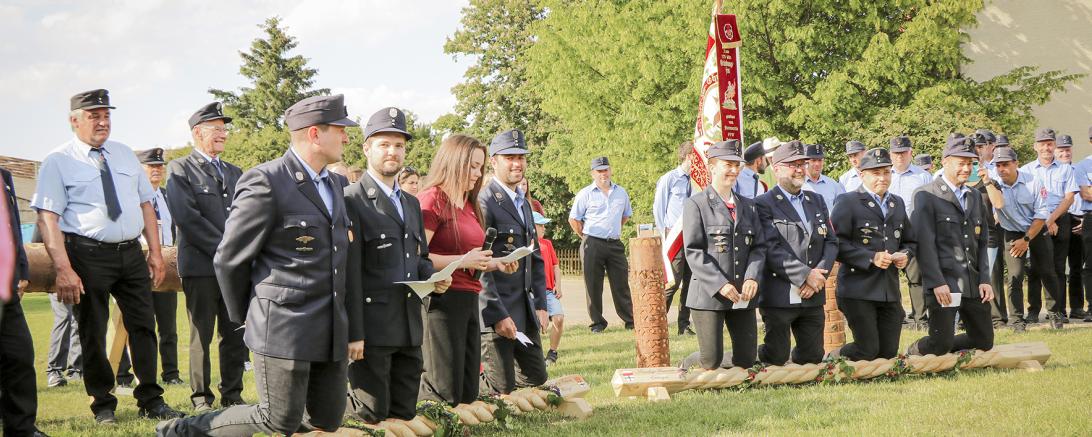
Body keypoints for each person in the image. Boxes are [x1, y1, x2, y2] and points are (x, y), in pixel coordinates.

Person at [157, 94, 357, 435]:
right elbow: (230, 257)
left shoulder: (337, 183)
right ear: (313, 134)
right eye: (340, 129)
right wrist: (250, 314)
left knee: (326, 421)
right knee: (277, 420)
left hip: (330, 326)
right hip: (284, 323)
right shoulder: (266, 180)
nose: (347, 137)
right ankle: (181, 431)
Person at [32, 89, 185, 424]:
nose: (102, 122)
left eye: (106, 115)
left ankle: (151, 399)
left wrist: (156, 253)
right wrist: (63, 268)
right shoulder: (58, 160)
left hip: (131, 252)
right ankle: (102, 404)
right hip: (86, 255)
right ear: (74, 121)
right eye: (93, 116)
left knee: (144, 325)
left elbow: (146, 203)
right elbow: (48, 218)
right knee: (93, 329)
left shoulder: (124, 155)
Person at [344, 107, 448, 423]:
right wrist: (354, 333)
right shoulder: (352, 199)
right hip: (372, 331)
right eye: (384, 144)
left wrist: (434, 278)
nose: (393, 152)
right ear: (366, 148)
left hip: (409, 326)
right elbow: (349, 273)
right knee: (371, 415)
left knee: (404, 414)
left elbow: (419, 257)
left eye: (399, 145)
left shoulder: (411, 203)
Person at [164, 102, 249, 412]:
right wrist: (229, 249)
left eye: (224, 129)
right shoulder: (180, 168)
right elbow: (188, 218)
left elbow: (245, 217)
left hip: (233, 270)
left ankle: (233, 394)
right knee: (201, 334)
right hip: (201, 267)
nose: (222, 134)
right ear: (197, 133)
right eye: (216, 129)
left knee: (235, 333)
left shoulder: (235, 172)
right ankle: (201, 398)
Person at [417, 134, 497, 406]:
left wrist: (496, 262)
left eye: (480, 167)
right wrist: (463, 260)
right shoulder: (433, 199)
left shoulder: (471, 205)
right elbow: (419, 257)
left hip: (469, 297)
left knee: (467, 388)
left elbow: (472, 256)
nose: (477, 174)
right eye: (472, 166)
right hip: (441, 299)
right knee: (444, 387)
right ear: (454, 162)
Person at [906, 135, 996, 355]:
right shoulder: (926, 195)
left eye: (970, 163)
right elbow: (924, 245)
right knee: (940, 346)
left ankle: (947, 344)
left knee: (984, 341)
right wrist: (936, 282)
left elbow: (982, 243)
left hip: (973, 282)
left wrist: (985, 279)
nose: (966, 168)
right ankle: (914, 350)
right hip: (945, 283)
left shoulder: (975, 196)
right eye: (961, 163)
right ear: (945, 161)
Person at [682, 140, 764, 369]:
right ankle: (690, 362)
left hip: (741, 295)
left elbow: (759, 247)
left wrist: (751, 277)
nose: (734, 170)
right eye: (728, 164)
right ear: (712, 166)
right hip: (710, 295)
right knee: (711, 360)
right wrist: (720, 284)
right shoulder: (695, 204)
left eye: (737, 165)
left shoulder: (749, 206)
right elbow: (693, 251)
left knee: (747, 360)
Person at [755, 140, 838, 366]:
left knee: (812, 357)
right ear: (776, 167)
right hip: (780, 294)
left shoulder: (816, 200)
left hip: (813, 293)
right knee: (776, 357)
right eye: (793, 164)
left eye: (802, 163)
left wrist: (817, 276)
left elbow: (830, 241)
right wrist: (804, 275)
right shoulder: (763, 204)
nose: (800, 169)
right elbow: (770, 249)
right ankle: (743, 356)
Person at [479, 128, 549, 394]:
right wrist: (497, 315)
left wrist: (542, 305)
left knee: (536, 377)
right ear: (494, 161)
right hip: (499, 311)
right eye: (509, 157)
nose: (517, 163)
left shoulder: (524, 204)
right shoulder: (485, 202)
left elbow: (536, 257)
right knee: (500, 388)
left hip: (525, 309)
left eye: (521, 157)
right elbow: (481, 268)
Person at [828, 148, 915, 360]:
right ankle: (833, 357)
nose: (882, 178)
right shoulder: (848, 201)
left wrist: (905, 254)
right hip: (858, 290)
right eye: (876, 173)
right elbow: (835, 243)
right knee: (867, 350)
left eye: (886, 172)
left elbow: (910, 240)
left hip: (888, 290)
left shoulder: (897, 203)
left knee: (887, 353)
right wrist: (871, 257)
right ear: (861, 174)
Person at [116, 148, 182, 387]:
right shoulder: (130, 196)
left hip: (165, 264)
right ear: (140, 170)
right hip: (137, 264)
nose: (157, 170)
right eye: (151, 166)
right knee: (131, 323)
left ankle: (171, 373)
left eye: (160, 166)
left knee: (168, 326)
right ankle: (123, 375)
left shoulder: (166, 195)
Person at [0, 165, 48, 436]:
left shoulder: (4, 176)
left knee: (19, 356)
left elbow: (12, 229)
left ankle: (22, 429)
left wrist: (21, 271)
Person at [991, 146, 1059, 331]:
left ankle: (1055, 314)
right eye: (998, 165)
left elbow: (1041, 214)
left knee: (1047, 272)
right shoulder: (993, 185)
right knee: (1014, 277)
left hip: (1036, 231)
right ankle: (1016, 320)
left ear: (1016, 164)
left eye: (1005, 164)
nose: (1001, 169)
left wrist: (1026, 240)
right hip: (1011, 233)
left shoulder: (1034, 182)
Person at [569, 156, 634, 332]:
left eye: (605, 170)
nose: (603, 174)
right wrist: (585, 236)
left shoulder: (621, 192)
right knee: (593, 285)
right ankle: (597, 323)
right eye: (599, 171)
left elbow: (625, 215)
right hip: (592, 242)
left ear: (610, 170)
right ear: (593, 174)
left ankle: (630, 320)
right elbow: (574, 219)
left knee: (621, 284)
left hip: (614, 243)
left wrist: (612, 230)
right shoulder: (585, 194)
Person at [1021, 128, 1077, 326]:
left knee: (1058, 268)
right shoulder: (1026, 170)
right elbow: (1025, 199)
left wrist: (1051, 220)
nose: (1046, 147)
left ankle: (1058, 311)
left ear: (1054, 145)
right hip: (1035, 221)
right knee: (1035, 269)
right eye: (1042, 143)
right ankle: (1033, 311)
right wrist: (1043, 222)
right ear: (1035, 146)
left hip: (1059, 220)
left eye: (1049, 143)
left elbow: (1069, 197)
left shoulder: (1066, 169)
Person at [887, 136, 932, 329]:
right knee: (889, 278)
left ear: (910, 152)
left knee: (916, 277)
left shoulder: (922, 176)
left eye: (903, 152)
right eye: (896, 153)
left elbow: (930, 205)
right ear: (890, 154)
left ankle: (920, 319)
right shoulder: (884, 174)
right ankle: (896, 317)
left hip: (913, 233)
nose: (900, 157)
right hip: (888, 233)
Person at [653, 141, 695, 335]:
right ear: (689, 157)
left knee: (691, 281)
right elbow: (659, 210)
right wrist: (664, 236)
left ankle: (684, 324)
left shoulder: (697, 181)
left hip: (693, 234)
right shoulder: (669, 178)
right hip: (674, 235)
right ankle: (658, 321)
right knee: (673, 280)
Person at [1054, 134, 1087, 321]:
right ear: (1055, 151)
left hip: (1078, 221)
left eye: (1068, 149)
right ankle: (1059, 309)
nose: (1065, 153)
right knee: (1058, 267)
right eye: (1061, 150)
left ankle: (1076, 307)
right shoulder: (1053, 171)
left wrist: (1085, 220)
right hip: (1058, 221)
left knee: (1076, 267)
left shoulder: (1079, 170)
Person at [534, 211, 565, 365]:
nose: (544, 228)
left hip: (548, 290)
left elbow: (556, 266)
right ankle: (535, 356)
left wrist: (558, 286)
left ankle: (552, 353)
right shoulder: (526, 245)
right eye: (541, 225)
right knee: (534, 325)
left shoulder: (547, 244)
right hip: (532, 293)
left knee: (558, 318)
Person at [801, 143, 845, 214]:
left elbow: (843, 207)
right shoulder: (799, 185)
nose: (817, 164)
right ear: (806, 162)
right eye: (813, 160)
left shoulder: (832, 184)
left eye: (820, 160)